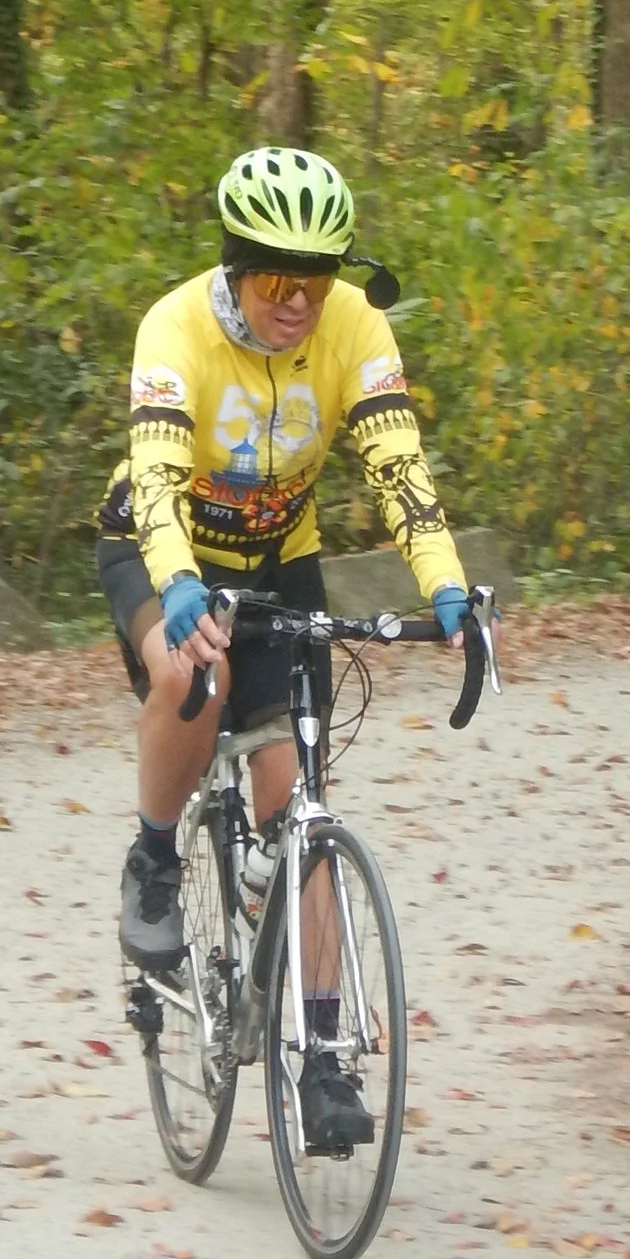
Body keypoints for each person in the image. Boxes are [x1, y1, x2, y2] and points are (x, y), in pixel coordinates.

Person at [96, 145, 472, 1151]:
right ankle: (153, 857)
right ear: (232, 267)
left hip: (275, 557)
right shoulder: (173, 328)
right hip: (155, 548)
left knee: (297, 800)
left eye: (315, 279)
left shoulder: (356, 326)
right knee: (195, 672)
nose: (297, 301)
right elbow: (159, 482)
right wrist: (177, 585)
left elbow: (399, 470)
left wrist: (444, 586)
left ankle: (323, 1061)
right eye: (273, 280)